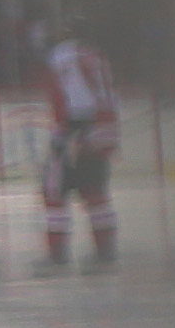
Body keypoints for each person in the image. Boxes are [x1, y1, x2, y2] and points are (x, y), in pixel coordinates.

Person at [36, 24, 120, 270]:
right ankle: (106, 251)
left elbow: (74, 98)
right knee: (95, 190)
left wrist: (68, 131)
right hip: (104, 130)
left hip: (80, 129)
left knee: (53, 190)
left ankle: (57, 254)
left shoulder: (63, 56)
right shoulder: (94, 54)